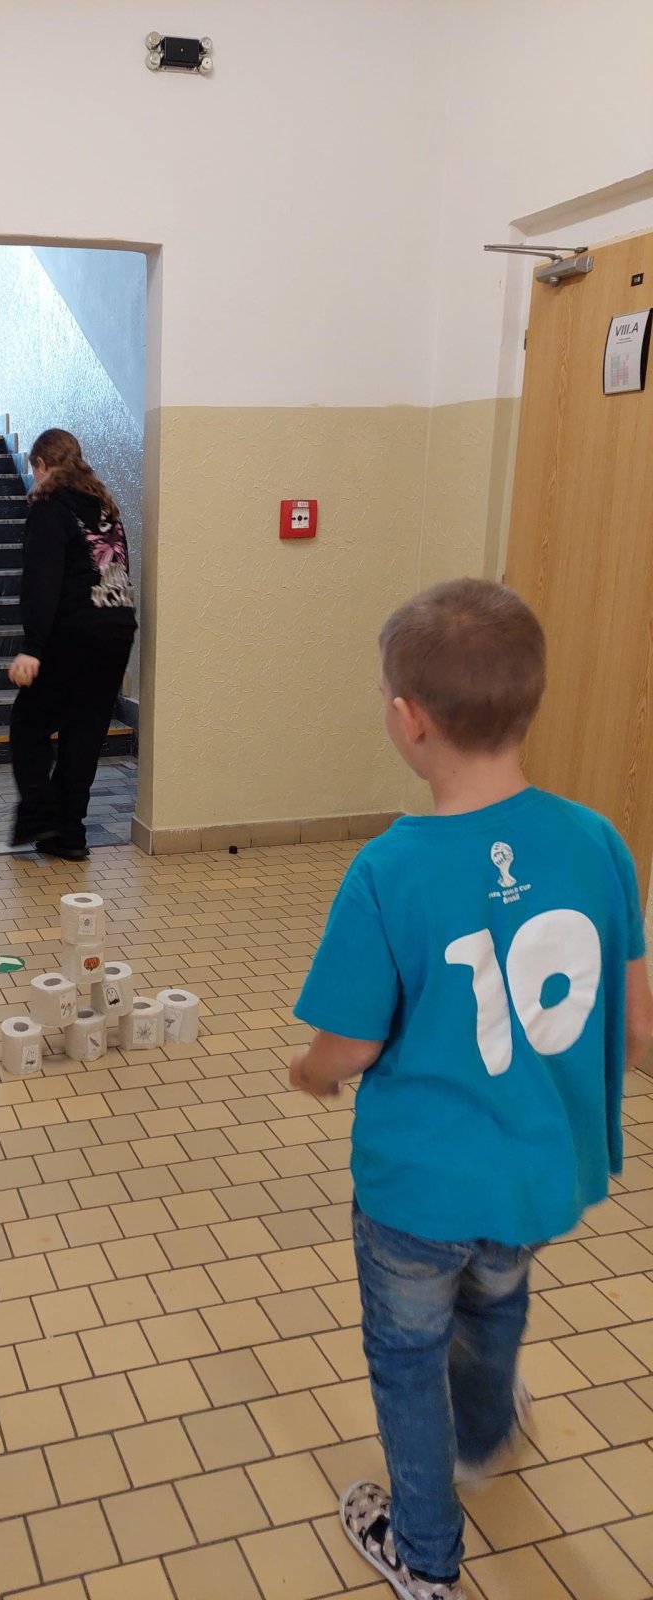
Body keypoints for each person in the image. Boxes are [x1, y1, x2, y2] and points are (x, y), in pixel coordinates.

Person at [288, 579, 653, 1600]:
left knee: (408, 1360)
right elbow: (639, 1028)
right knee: (496, 1303)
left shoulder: (388, 869)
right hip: (540, 1173)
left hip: (417, 1194)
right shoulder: (598, 841)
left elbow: (349, 1045)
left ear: (409, 720)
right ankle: (486, 1437)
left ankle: (425, 1554)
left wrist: (309, 1073)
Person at [7, 429, 137, 861]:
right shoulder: (105, 508)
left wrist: (33, 646)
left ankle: (41, 816)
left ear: (42, 465)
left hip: (75, 632)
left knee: (28, 724)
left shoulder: (49, 507)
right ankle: (69, 834)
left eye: (34, 471)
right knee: (84, 733)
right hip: (116, 629)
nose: (34, 478)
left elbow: (42, 582)